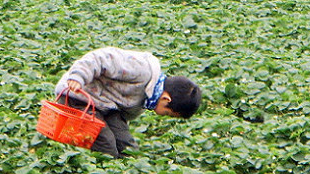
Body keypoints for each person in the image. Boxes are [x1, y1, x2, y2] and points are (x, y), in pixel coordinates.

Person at [55, 46, 202, 158]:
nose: (164, 116)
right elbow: (100, 57)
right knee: (106, 144)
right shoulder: (142, 70)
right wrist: (78, 77)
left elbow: (122, 119)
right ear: (166, 99)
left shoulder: (148, 100)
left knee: (128, 147)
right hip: (78, 97)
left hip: (106, 107)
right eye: (168, 113)